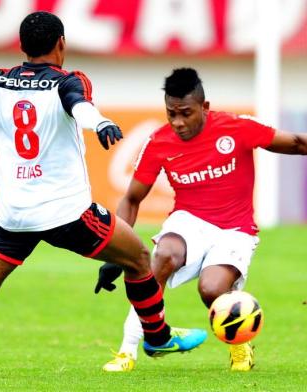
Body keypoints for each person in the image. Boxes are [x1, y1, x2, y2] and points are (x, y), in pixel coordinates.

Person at [0, 13, 208, 378]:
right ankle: (158, 336)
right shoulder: (68, 80)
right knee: (138, 258)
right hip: (67, 215)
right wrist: (99, 122)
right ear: (62, 44)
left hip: (12, 215)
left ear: (22, 46)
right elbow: (78, 105)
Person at [95, 67, 307, 372]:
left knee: (211, 290)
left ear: (204, 107)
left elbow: (297, 143)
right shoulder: (159, 142)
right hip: (188, 222)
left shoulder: (237, 128)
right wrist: (116, 251)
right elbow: (131, 198)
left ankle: (240, 344)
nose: (178, 123)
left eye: (186, 113)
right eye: (171, 113)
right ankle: (127, 352)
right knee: (160, 258)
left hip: (236, 230)